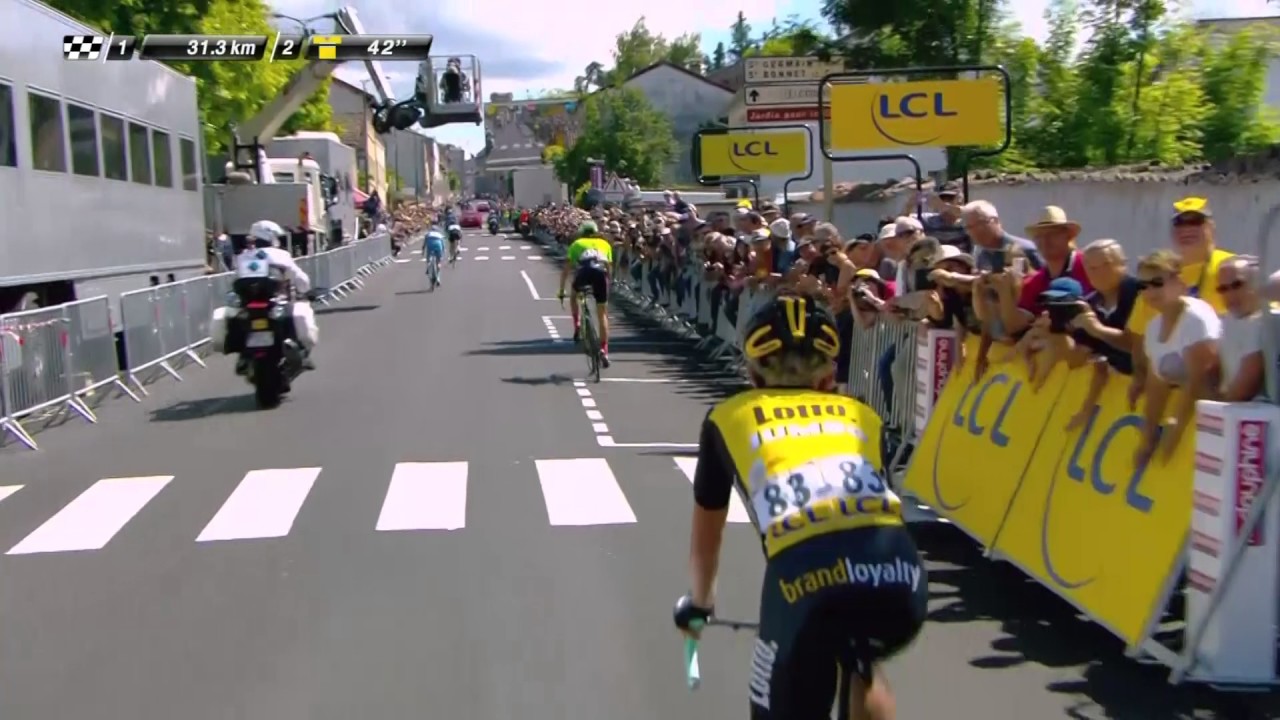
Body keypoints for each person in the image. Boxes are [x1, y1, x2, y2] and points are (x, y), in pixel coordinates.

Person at [673, 294, 925, 720]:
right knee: (862, 659)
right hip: (899, 572)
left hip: (806, 577)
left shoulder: (728, 416)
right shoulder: (863, 415)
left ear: (753, 375)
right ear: (828, 379)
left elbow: (707, 538)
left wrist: (699, 603)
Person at [231, 220, 317, 370]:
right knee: (299, 316)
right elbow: (299, 277)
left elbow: (236, 278)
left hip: (249, 305)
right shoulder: (280, 255)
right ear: (271, 236)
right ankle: (302, 352)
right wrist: (306, 290)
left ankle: (243, 356)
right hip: (276, 302)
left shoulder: (243, 256)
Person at [558, 221, 614, 367]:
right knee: (602, 314)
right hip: (601, 274)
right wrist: (609, 285)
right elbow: (609, 268)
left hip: (585, 273)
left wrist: (561, 290)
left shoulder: (577, 244)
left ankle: (577, 325)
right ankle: (604, 350)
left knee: (574, 295)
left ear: (582, 232)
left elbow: (566, 269)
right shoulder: (605, 244)